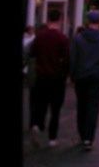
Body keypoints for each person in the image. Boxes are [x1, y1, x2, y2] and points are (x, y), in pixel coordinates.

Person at [69, 10, 99, 151]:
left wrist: (72, 75)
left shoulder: (78, 38)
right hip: (96, 77)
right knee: (93, 107)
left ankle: (82, 134)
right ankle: (89, 138)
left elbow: (73, 58)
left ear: (87, 22)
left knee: (81, 105)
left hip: (81, 76)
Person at [28, 10, 70, 147]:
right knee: (55, 109)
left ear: (48, 19)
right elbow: (67, 59)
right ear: (59, 20)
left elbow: (32, 54)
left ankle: (37, 125)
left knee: (41, 104)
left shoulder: (39, 37)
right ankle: (52, 138)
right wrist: (66, 75)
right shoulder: (62, 38)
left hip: (41, 76)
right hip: (57, 78)